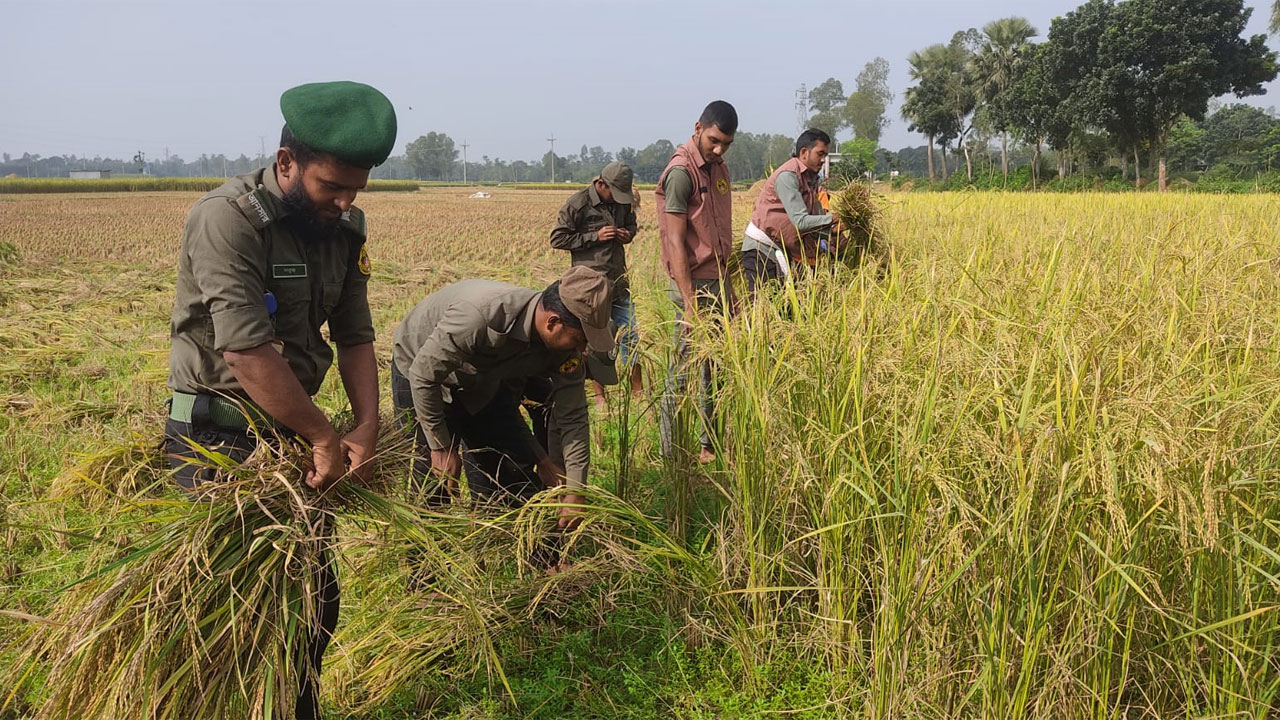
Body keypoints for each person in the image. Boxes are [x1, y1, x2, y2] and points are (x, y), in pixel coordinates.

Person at [163, 81, 396, 720]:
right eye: (332, 187)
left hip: (293, 438)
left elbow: (355, 335)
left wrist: (367, 426)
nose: (345, 202)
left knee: (313, 602)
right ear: (287, 162)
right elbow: (245, 350)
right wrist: (325, 435)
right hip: (219, 443)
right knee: (218, 613)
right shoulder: (227, 219)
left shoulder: (346, 227)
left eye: (357, 189)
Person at [390, 266, 614, 525]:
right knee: (434, 478)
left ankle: (490, 540)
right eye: (579, 340)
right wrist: (440, 445)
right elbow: (424, 375)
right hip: (420, 369)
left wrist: (575, 490)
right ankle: (425, 561)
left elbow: (573, 417)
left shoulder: (563, 350)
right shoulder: (480, 316)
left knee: (502, 472)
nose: (582, 349)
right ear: (552, 323)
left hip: (482, 378)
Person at [655, 100, 738, 465]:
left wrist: (731, 289)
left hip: (718, 282)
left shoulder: (719, 169)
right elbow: (675, 241)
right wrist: (690, 305)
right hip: (692, 287)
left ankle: (709, 446)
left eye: (726, 144)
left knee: (715, 371)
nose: (718, 149)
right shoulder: (680, 172)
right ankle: (670, 454)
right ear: (698, 127)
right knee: (684, 372)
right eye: (714, 140)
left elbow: (720, 233)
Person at [550, 161, 642, 406]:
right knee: (593, 342)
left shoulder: (621, 202)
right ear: (601, 184)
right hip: (590, 288)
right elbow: (557, 238)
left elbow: (632, 225)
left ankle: (638, 392)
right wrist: (594, 237)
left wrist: (626, 234)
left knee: (631, 337)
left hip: (619, 284)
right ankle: (600, 396)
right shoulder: (578, 203)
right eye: (613, 193)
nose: (618, 199)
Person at [741, 128, 837, 294]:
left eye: (825, 156)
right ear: (804, 152)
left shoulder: (811, 179)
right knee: (762, 309)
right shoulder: (788, 176)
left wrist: (834, 232)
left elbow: (815, 219)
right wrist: (833, 220)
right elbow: (800, 222)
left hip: (783, 250)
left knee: (786, 308)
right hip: (762, 250)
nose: (823, 160)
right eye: (820, 154)